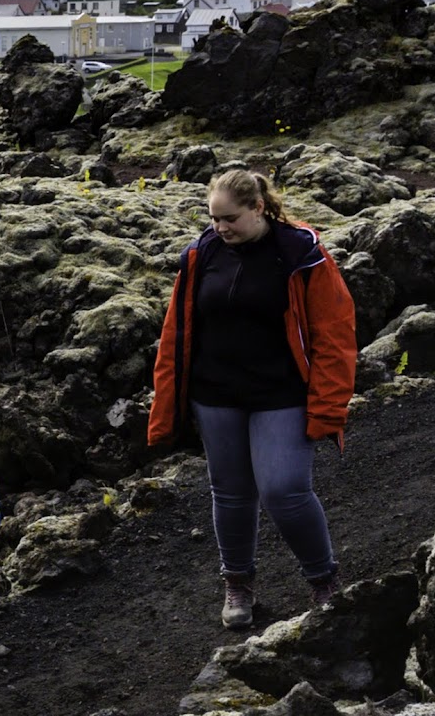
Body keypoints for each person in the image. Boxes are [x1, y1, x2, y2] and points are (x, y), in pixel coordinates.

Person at [146, 169, 359, 630]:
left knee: (284, 489)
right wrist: (168, 401)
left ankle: (323, 579)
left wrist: (328, 407)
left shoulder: (300, 253)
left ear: (258, 208)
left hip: (281, 394)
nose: (220, 228)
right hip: (215, 394)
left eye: (229, 219)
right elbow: (176, 331)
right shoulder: (202, 253)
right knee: (231, 492)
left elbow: (335, 334)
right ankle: (237, 582)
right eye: (213, 219)